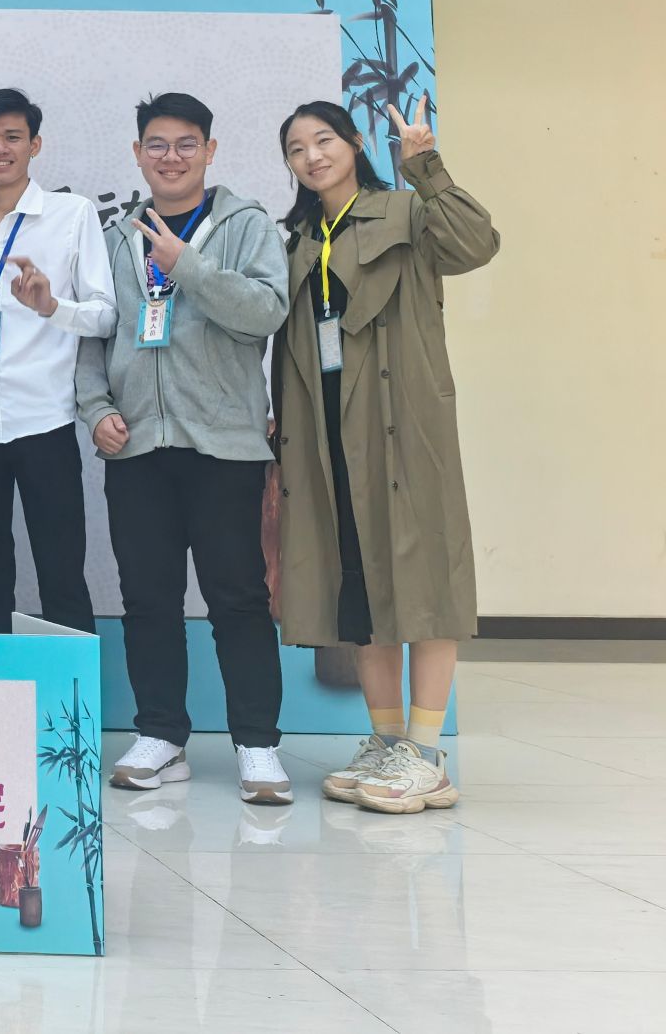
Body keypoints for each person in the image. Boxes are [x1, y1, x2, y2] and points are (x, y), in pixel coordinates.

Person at [271, 96, 497, 814]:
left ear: (354, 143)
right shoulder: (296, 239)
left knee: (423, 578)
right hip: (325, 431)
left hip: (402, 425)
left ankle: (426, 755)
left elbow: (476, 245)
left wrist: (425, 165)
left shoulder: (405, 210)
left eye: (324, 140)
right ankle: (387, 740)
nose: (312, 156)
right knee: (357, 582)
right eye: (297, 148)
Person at [75, 92, 294, 805]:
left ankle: (257, 745)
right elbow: (95, 334)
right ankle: (161, 736)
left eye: (186, 144)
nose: (171, 157)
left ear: (210, 151)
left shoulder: (246, 223)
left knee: (238, 598)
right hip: (137, 446)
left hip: (225, 445)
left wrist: (189, 266)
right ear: (138, 153)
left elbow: (265, 313)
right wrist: (96, 410)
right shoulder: (114, 237)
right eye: (158, 145)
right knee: (148, 598)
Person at [0, 89, 113, 635]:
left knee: (62, 571)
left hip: (43, 416)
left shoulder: (72, 215)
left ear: (35, 145)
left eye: (12, 137)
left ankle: (71, 691)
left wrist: (51, 306)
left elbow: (106, 316)